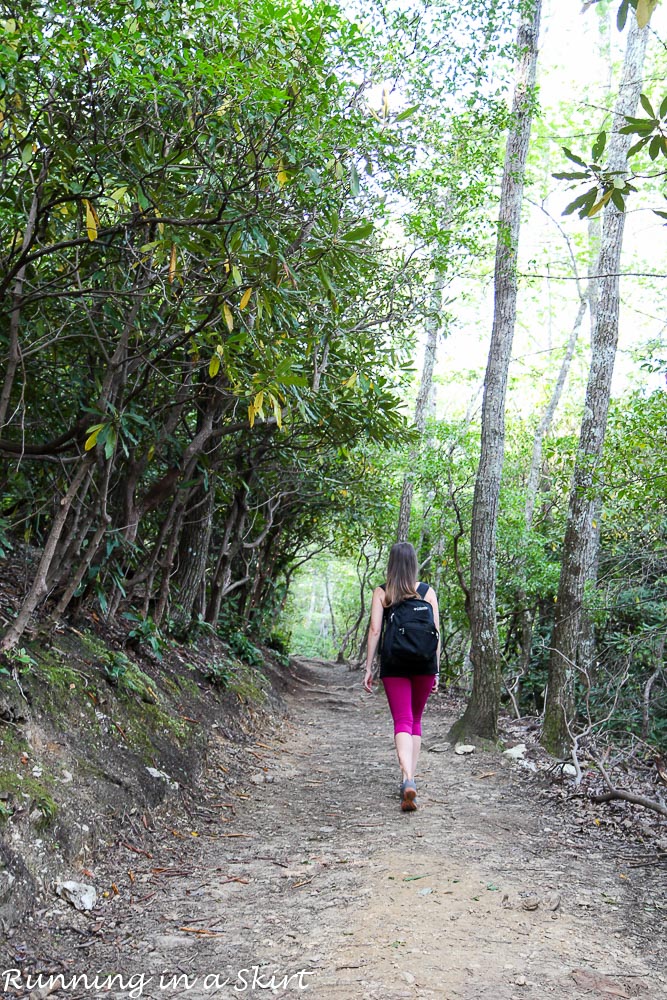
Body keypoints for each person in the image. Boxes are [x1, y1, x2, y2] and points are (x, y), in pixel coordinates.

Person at [363, 542, 440, 812]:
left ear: (392, 564)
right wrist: (437, 668)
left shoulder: (383, 592)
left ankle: (407, 778)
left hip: (395, 662)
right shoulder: (427, 592)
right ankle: (411, 781)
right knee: (416, 720)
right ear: (414, 564)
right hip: (424, 663)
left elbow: (375, 630)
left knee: (402, 721)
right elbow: (436, 633)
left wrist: (369, 666)